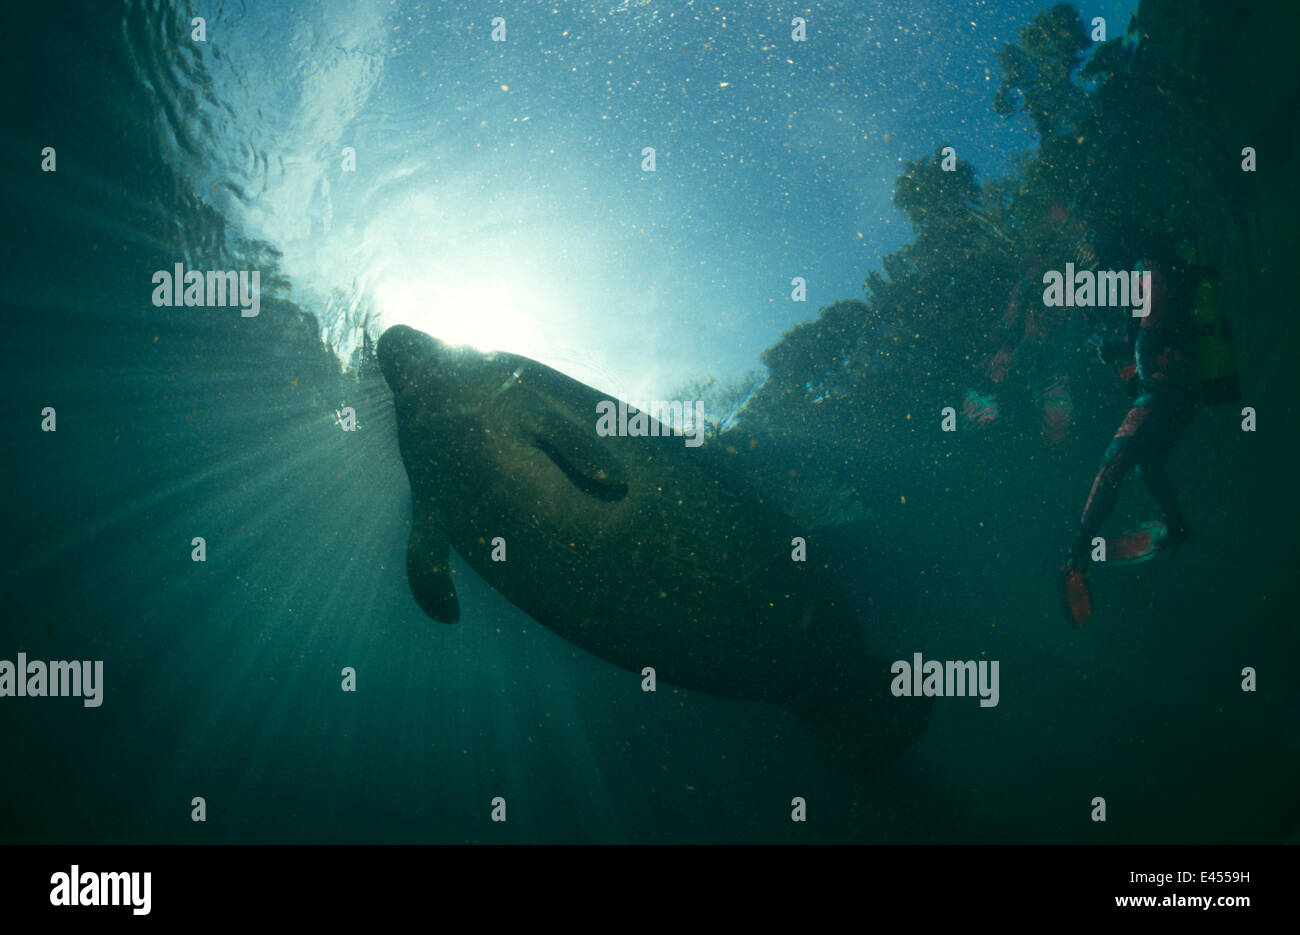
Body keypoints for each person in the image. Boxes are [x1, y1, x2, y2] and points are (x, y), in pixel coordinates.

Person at [1059, 241, 1199, 624]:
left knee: (1115, 460)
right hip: (1178, 393)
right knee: (1147, 465)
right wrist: (1120, 345)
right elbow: (1146, 330)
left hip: (1164, 392)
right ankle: (1177, 525)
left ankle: (1077, 554)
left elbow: (1153, 321)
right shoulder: (1136, 277)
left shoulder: (1144, 266)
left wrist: (1136, 347)